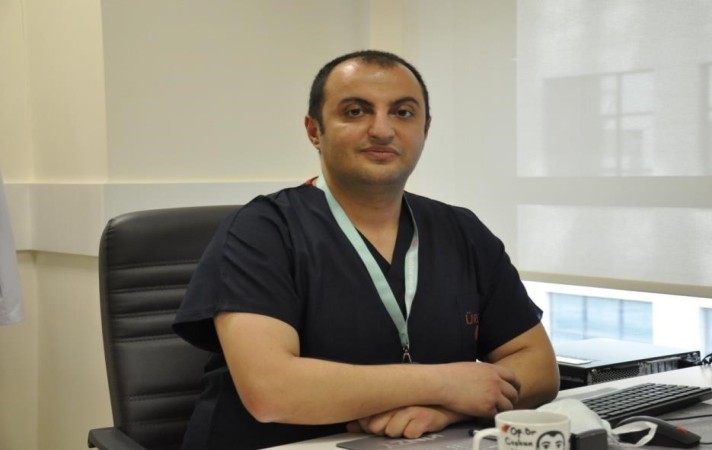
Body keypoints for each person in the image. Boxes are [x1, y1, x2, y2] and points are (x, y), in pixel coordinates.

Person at [173, 49, 559, 449]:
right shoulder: (263, 231)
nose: (382, 130)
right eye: (356, 111)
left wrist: (448, 410)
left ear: (425, 130)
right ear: (314, 131)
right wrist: (446, 384)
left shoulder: (462, 231)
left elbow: (538, 365)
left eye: (403, 113)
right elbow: (271, 391)